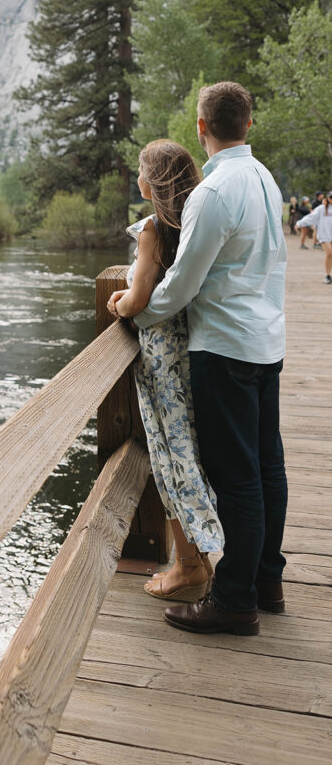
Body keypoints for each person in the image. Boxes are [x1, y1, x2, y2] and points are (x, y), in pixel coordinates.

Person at [109, 81, 287, 637]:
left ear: (202, 127)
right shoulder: (264, 180)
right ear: (249, 125)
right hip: (267, 342)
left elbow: (182, 284)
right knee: (266, 468)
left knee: (237, 479)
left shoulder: (214, 193)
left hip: (226, 347)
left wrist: (137, 317)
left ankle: (234, 601)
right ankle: (266, 580)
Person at [107, 141, 223, 602]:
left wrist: (118, 302)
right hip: (192, 349)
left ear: (148, 182)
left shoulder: (154, 231)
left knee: (169, 455)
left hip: (161, 360)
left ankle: (190, 567)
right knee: (188, 450)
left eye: (140, 170)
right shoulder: (190, 227)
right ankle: (198, 558)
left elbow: (136, 300)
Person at [296, 192, 332, 283]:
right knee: (329, 253)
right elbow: (311, 217)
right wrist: (299, 223)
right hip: (324, 235)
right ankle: (328, 275)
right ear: (328, 198)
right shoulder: (321, 209)